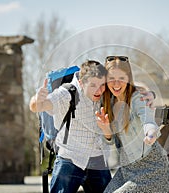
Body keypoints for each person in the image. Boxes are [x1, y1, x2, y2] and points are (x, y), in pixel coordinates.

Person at [29, 60, 155, 193]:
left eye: (102, 85)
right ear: (82, 83)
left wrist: (150, 94)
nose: (99, 90)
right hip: (70, 160)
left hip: (98, 161)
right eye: (93, 85)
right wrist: (37, 100)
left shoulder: (104, 93)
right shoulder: (67, 94)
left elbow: (126, 86)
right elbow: (39, 106)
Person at [96, 56, 169, 193]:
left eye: (121, 78)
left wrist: (151, 133)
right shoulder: (109, 103)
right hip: (126, 170)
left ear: (128, 79)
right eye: (111, 79)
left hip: (152, 169)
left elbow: (148, 119)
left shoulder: (137, 98)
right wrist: (106, 129)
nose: (116, 84)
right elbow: (110, 142)